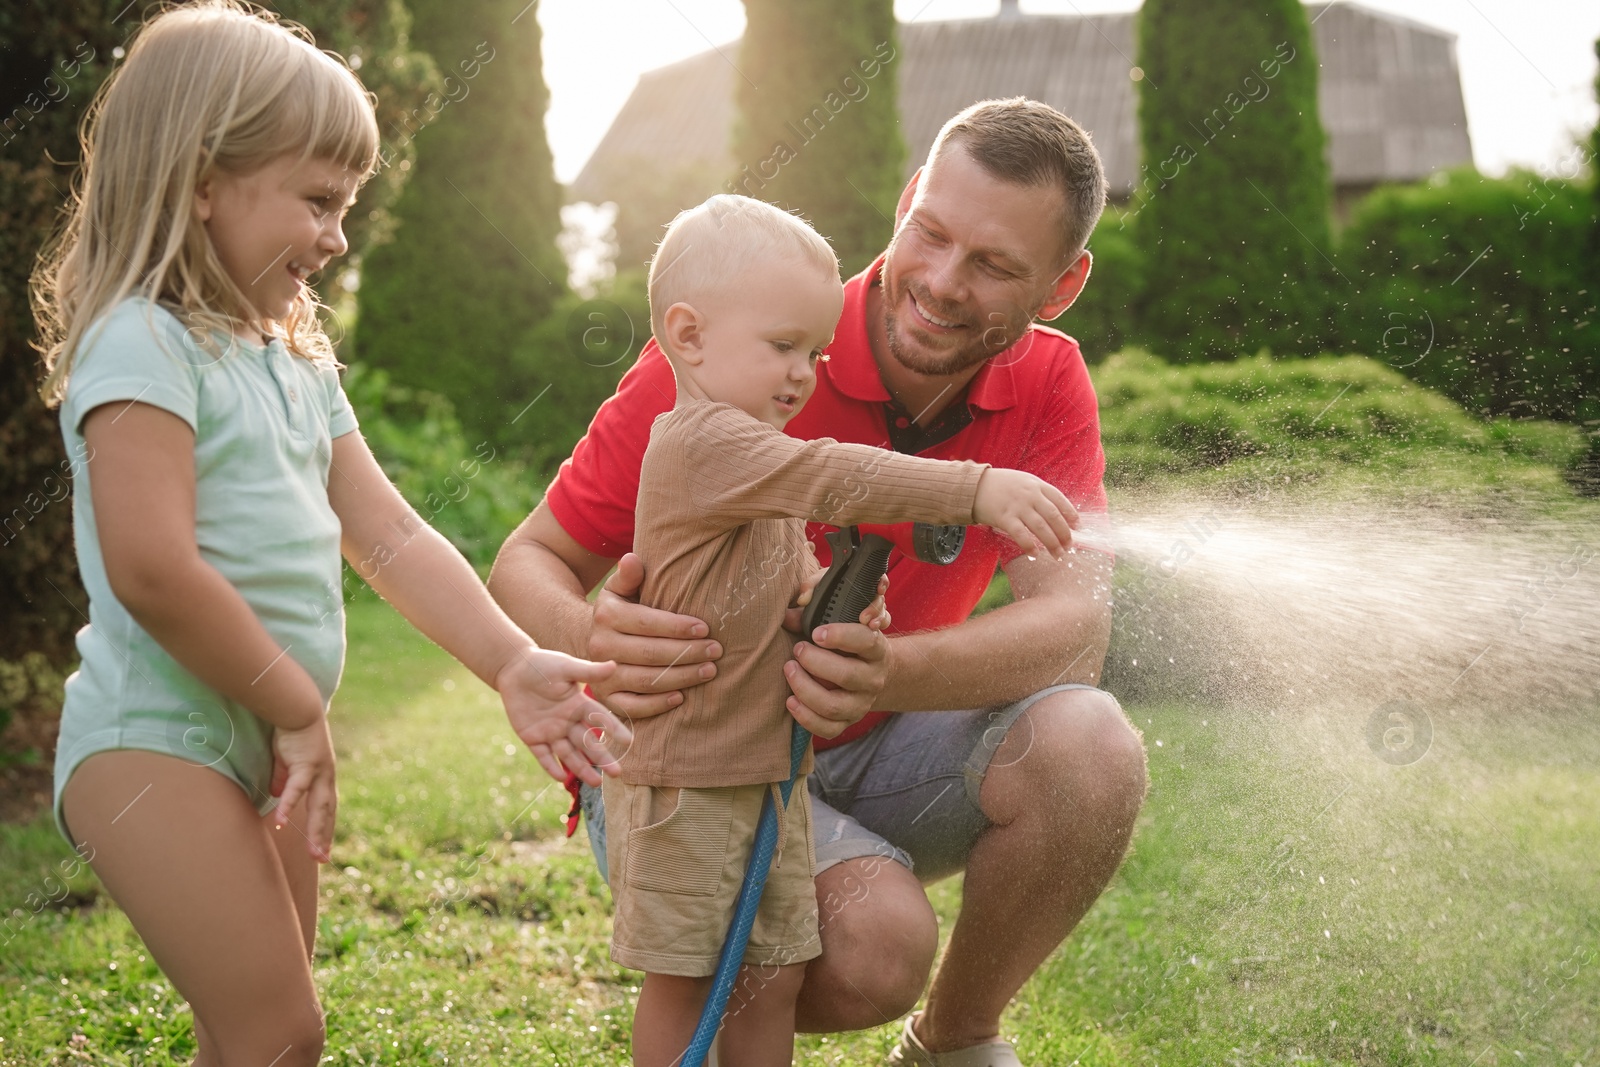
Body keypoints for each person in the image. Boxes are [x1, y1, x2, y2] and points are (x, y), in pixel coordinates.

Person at [490, 97, 1148, 1065]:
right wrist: (590, 634)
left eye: (994, 264)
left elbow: (1071, 632)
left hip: (864, 750)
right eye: (930, 233)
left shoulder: (1048, 382)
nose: (938, 280)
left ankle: (953, 1043)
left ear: (1061, 284)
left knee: (1093, 747)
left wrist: (887, 672)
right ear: (904, 200)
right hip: (696, 758)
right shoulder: (740, 345)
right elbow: (525, 559)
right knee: (875, 943)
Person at [30, 5, 628, 1064]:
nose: (339, 236)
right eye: (316, 201)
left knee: (254, 1041)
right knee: (279, 1031)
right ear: (201, 180)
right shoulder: (142, 344)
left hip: (267, 746)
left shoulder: (294, 361)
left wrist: (511, 659)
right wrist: (296, 703)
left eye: (345, 205)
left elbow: (389, 534)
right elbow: (154, 569)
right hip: (149, 744)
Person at [612, 193, 1080, 1067]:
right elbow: (830, 475)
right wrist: (975, 489)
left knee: (774, 972)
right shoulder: (707, 443)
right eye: (783, 347)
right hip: (690, 776)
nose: (804, 373)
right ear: (688, 334)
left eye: (817, 351)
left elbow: (788, 579)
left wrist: (830, 608)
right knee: (688, 976)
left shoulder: (757, 456)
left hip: (767, 776)